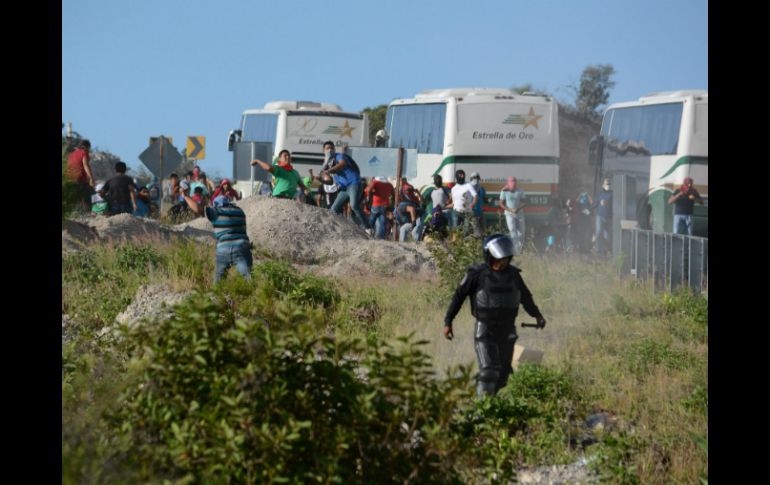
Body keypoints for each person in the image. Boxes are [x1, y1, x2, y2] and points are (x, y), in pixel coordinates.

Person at [442, 234, 546, 397]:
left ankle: (480, 397)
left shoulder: (513, 275)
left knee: (503, 375)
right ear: (489, 256)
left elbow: (525, 297)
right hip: (485, 330)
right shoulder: (476, 274)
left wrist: (537, 315)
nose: (502, 262)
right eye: (499, 259)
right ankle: (480, 411)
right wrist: (448, 321)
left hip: (507, 330)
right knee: (489, 371)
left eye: (505, 258)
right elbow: (459, 296)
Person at [320, 141, 369, 229]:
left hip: (354, 183)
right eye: (327, 148)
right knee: (333, 209)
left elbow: (342, 164)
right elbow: (330, 182)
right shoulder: (326, 164)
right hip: (344, 188)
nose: (330, 150)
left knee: (353, 205)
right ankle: (337, 228)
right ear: (323, 151)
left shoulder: (338, 156)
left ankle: (367, 227)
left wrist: (328, 171)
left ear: (335, 149)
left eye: (332, 148)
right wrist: (322, 179)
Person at [205, 195, 253, 283]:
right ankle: (253, 293)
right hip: (241, 247)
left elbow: (206, 210)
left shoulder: (216, 212)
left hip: (223, 248)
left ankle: (216, 294)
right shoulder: (240, 211)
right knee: (248, 278)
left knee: (218, 281)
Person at [498, 176, 526, 255]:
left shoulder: (520, 191)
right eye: (511, 181)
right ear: (508, 182)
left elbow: (524, 202)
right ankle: (516, 252)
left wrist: (518, 208)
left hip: (519, 214)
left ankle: (519, 250)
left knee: (521, 234)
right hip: (509, 214)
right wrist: (509, 210)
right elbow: (501, 203)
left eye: (514, 181)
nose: (513, 183)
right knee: (513, 231)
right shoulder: (504, 191)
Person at [66, 139, 95, 212]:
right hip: (80, 180)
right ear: (86, 147)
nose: (89, 150)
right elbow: (86, 165)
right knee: (87, 198)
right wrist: (91, 178)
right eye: (89, 148)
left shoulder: (71, 154)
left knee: (75, 200)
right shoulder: (84, 153)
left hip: (70, 180)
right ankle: (87, 214)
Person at [450, 169, 479, 236]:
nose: (462, 176)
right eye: (460, 175)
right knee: (456, 230)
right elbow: (453, 203)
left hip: (466, 212)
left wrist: (473, 204)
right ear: (456, 176)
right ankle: (455, 244)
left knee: (465, 231)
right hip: (456, 211)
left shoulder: (468, 185)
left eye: (463, 175)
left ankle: (462, 243)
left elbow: (475, 196)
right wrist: (443, 207)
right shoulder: (453, 189)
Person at [592, 178, 613, 253]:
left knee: (607, 234)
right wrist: (589, 209)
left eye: (609, 184)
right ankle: (598, 249)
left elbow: (615, 205)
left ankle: (605, 249)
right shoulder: (599, 194)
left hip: (609, 217)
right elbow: (594, 203)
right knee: (598, 232)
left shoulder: (612, 194)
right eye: (607, 184)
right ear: (603, 185)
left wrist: (606, 202)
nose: (608, 186)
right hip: (600, 216)